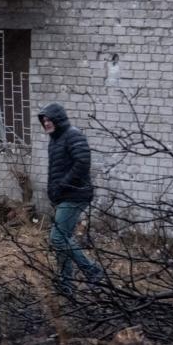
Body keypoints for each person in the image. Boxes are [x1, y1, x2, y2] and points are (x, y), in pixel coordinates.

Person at [37, 103, 102, 295]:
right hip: (64, 195)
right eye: (44, 120)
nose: (46, 123)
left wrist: (63, 185)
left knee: (58, 238)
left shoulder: (73, 135)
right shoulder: (55, 139)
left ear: (58, 119)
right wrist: (54, 192)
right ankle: (66, 283)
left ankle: (93, 271)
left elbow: (83, 162)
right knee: (64, 238)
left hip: (76, 194)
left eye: (49, 119)